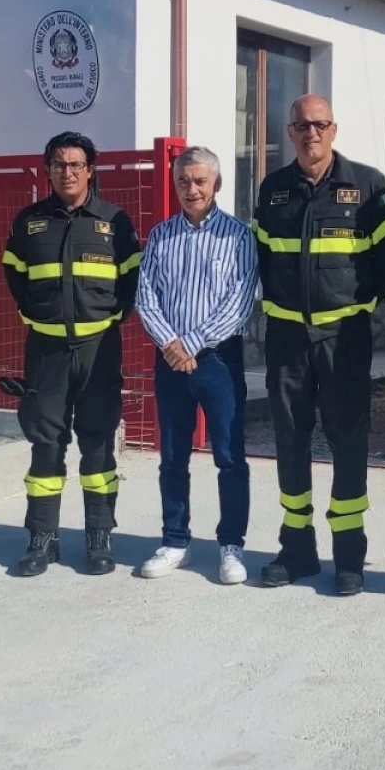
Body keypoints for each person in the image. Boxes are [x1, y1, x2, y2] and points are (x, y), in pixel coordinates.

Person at [252, 94, 385, 596]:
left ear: (333, 129)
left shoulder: (367, 185)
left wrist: (363, 316)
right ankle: (297, 550)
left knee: (348, 440)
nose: (310, 133)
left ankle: (349, 558)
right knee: (290, 441)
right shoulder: (273, 190)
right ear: (289, 131)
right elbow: (260, 260)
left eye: (319, 124)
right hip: (287, 340)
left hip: (344, 340)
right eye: (300, 125)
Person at [2, 132, 142, 577]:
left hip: (99, 349)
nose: (68, 172)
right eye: (59, 164)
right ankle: (42, 538)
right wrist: (37, 315)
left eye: (76, 164)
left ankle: (99, 537)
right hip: (47, 352)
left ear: (90, 171)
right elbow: (15, 275)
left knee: (98, 445)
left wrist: (109, 320)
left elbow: (130, 280)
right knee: (46, 445)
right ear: (48, 170)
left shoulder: (115, 221)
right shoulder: (29, 222)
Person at [133, 146, 259, 585]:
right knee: (172, 456)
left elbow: (240, 303)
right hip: (170, 363)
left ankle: (231, 546)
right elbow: (145, 295)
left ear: (217, 184)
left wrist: (189, 342)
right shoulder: (161, 236)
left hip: (218, 361)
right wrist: (170, 343)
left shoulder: (239, 237)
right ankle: (174, 540)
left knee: (228, 456)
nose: (192, 189)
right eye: (184, 181)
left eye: (200, 181)